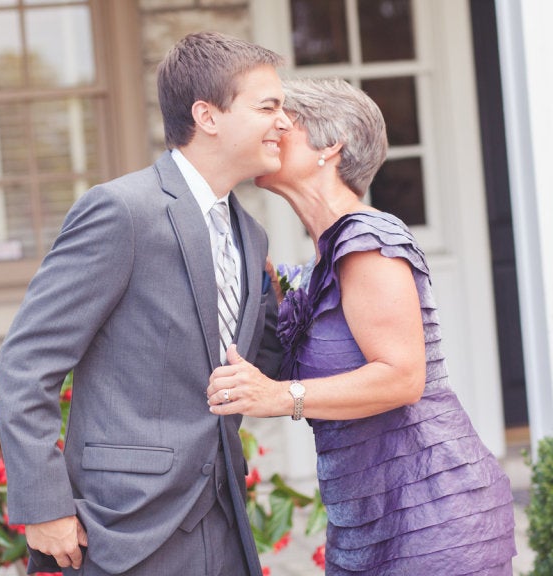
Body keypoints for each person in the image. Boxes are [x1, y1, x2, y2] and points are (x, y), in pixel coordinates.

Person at [0, 31, 292, 576]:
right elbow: (26, 364)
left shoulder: (251, 235)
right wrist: (45, 507)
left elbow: (262, 365)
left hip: (222, 521)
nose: (284, 122)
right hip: (120, 527)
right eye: (268, 106)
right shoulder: (121, 211)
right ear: (208, 115)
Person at [207, 77, 517, 574]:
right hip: (363, 522)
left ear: (330, 146)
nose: (270, 131)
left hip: (434, 516)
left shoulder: (369, 239)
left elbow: (401, 377)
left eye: (285, 122)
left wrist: (276, 397)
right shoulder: (313, 269)